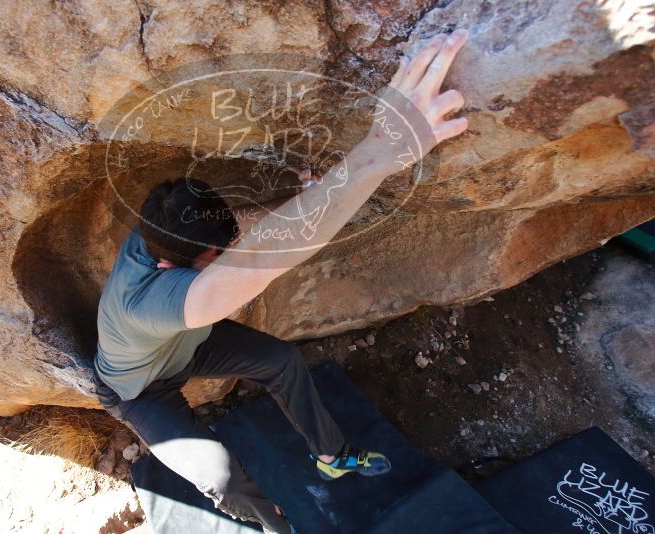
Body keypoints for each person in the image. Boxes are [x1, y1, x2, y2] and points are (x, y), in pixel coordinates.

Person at [93, 29, 470, 534]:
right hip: (140, 390)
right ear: (180, 267)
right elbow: (267, 256)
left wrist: (301, 196)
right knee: (222, 478)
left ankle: (331, 455)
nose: (228, 255)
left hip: (184, 344)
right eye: (218, 256)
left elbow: (248, 235)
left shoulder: (161, 232)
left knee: (281, 362)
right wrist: (381, 149)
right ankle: (277, 527)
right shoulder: (156, 302)